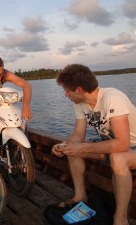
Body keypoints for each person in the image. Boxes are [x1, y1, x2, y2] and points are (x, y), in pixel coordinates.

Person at [52, 64, 136, 225]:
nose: (65, 94)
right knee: (71, 149)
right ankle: (80, 196)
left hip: (131, 147)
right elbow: (78, 134)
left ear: (78, 90)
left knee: (118, 158)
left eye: (66, 90)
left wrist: (84, 147)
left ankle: (120, 219)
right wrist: (64, 145)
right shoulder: (80, 103)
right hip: (112, 146)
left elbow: (123, 143)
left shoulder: (112, 98)